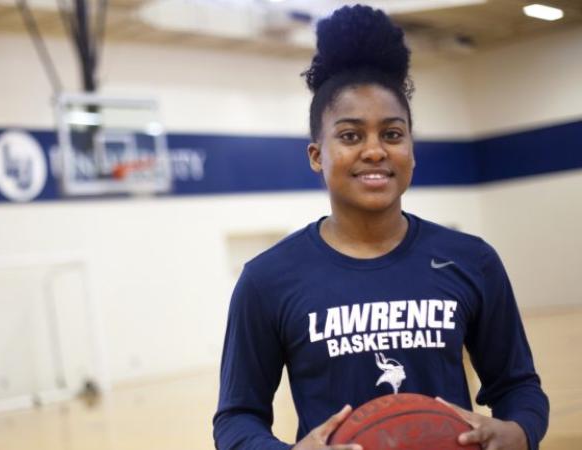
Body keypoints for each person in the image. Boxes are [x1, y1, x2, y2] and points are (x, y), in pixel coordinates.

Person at [212, 5, 549, 450]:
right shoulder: (267, 279)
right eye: (351, 136)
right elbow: (236, 419)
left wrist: (518, 432)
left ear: (411, 148)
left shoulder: (473, 260)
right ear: (317, 155)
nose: (374, 151)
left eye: (392, 134)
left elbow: (519, 386)